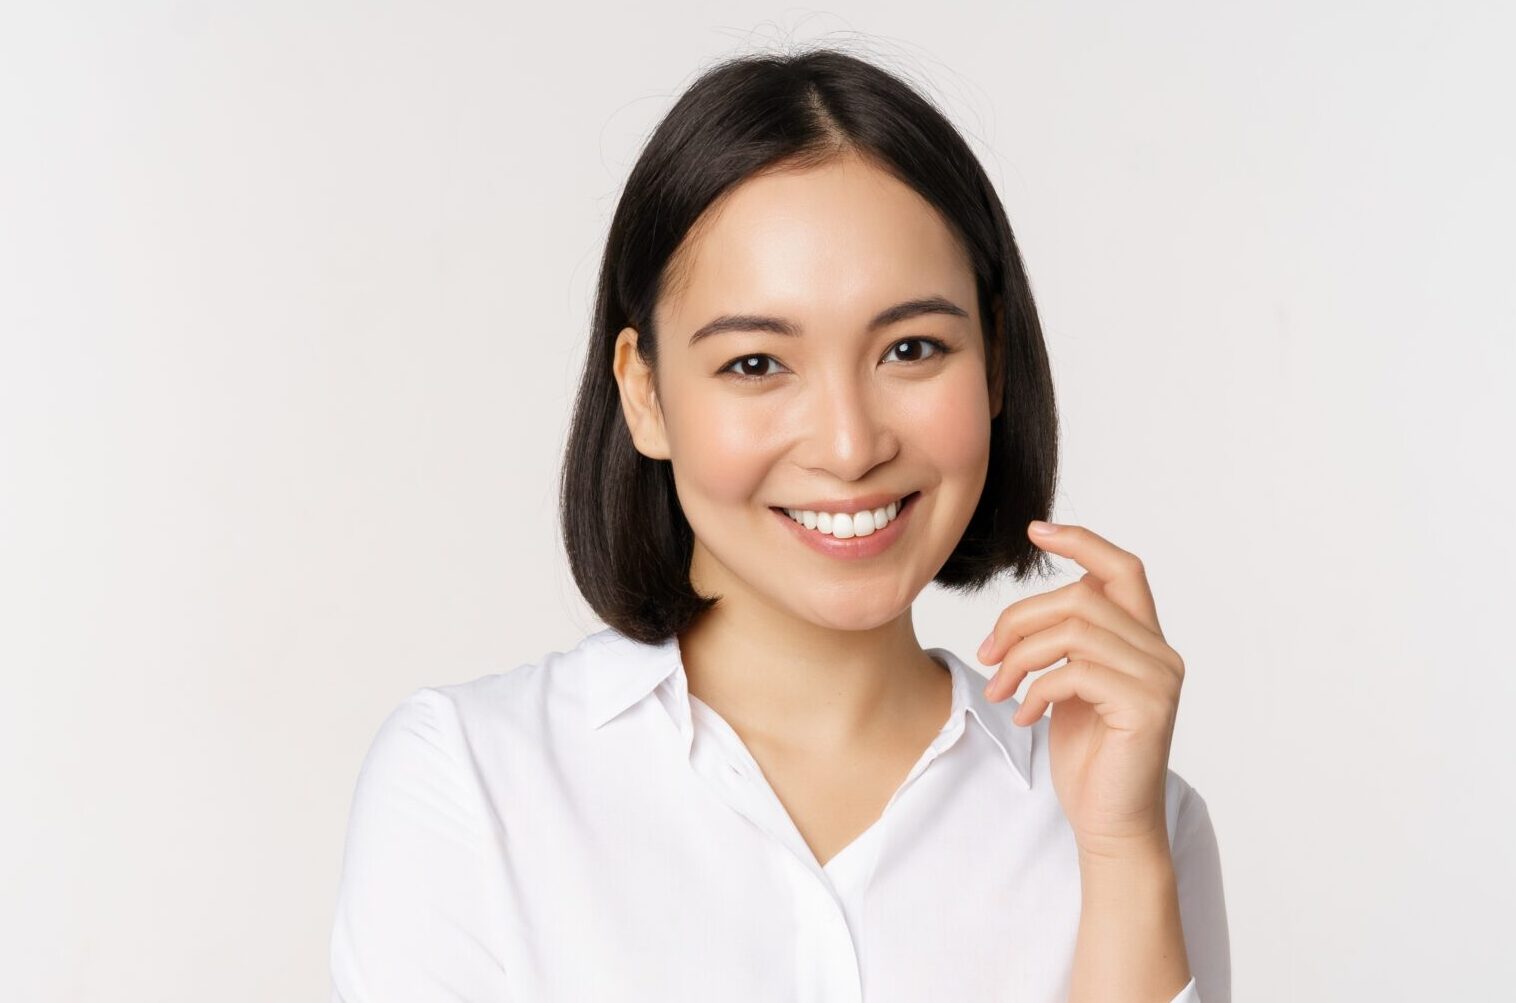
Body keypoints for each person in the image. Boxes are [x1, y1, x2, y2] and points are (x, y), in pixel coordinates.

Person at [329, 46, 1230, 1003]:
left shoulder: (1134, 817)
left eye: (912, 348)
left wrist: (1121, 850)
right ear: (644, 394)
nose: (848, 446)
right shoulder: (471, 784)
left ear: (995, 363)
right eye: (757, 364)